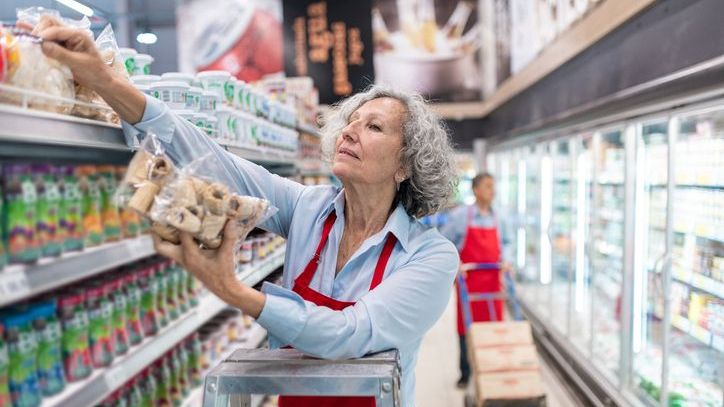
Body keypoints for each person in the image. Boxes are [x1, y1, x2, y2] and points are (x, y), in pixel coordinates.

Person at [26, 18, 461, 406]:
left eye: (374, 127)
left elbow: (350, 334)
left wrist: (234, 291)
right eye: (351, 120)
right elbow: (214, 161)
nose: (349, 130)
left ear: (406, 164)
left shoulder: (430, 257)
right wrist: (105, 82)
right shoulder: (309, 209)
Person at [440, 173, 510, 388]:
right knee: (466, 328)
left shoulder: (499, 218)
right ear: (476, 190)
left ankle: (490, 367)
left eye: (494, 186)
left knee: (492, 326)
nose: (493, 191)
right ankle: (466, 372)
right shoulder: (462, 216)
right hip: (469, 283)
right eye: (488, 186)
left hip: (492, 282)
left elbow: (506, 243)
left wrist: (507, 260)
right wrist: (456, 264)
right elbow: (443, 241)